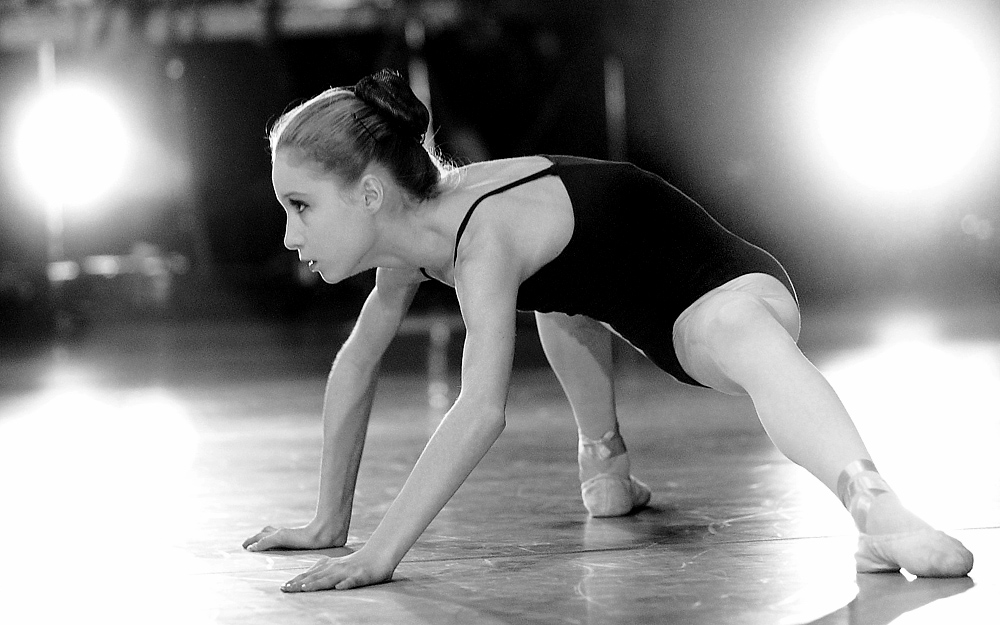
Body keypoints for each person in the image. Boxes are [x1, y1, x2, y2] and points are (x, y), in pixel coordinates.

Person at [242, 69, 973, 592]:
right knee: (559, 294)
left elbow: (479, 410)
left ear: (370, 193)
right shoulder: (412, 238)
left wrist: (379, 551)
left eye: (300, 206)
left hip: (712, 286)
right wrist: (327, 520)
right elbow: (358, 362)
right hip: (613, 290)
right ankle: (607, 465)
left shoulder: (478, 242)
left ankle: (873, 502)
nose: (287, 235)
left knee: (737, 330)